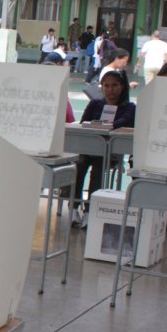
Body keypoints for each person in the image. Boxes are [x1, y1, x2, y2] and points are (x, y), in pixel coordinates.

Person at [72, 70, 137, 226]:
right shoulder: (95, 103)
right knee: (78, 165)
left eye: (114, 85)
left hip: (111, 153)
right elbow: (84, 122)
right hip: (89, 148)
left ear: (122, 87)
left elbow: (122, 122)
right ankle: (73, 207)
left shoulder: (129, 107)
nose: (110, 89)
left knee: (99, 169)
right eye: (106, 85)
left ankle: (90, 210)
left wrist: (103, 125)